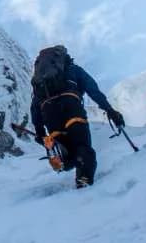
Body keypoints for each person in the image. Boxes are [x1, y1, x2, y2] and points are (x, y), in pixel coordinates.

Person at [30, 45, 123, 189]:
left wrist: (39, 131)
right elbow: (93, 89)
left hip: (49, 113)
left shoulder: (41, 81)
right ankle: (83, 182)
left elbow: (35, 106)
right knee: (82, 146)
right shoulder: (72, 69)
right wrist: (109, 109)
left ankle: (64, 162)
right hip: (71, 107)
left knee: (68, 152)